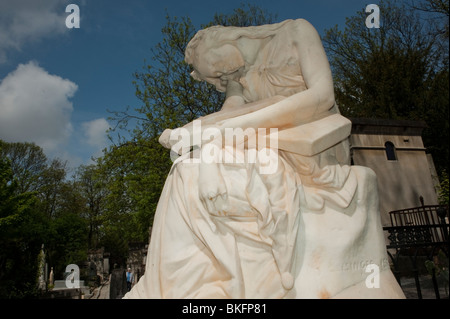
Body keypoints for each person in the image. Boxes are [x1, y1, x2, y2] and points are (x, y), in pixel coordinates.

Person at [124, 19, 405, 299]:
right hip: (262, 139)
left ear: (222, 39)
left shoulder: (297, 32)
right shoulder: (237, 75)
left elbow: (322, 95)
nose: (220, 78)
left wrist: (230, 131)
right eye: (214, 77)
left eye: (215, 68)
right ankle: (194, 285)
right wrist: (191, 131)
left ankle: (242, 281)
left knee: (215, 170)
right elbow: (231, 110)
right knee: (185, 168)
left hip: (312, 141)